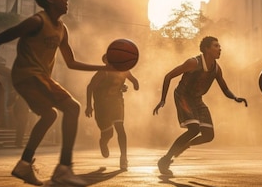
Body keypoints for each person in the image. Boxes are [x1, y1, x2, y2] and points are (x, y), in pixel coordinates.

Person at [0, 0, 109, 187]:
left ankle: (25, 163)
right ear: (50, 0)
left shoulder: (62, 29)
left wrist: (107, 67)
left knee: (50, 115)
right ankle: (64, 168)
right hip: (28, 75)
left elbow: (71, 63)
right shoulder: (36, 21)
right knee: (73, 107)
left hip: (38, 78)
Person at [152, 36, 247, 175]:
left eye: (219, 46)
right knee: (194, 129)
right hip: (183, 96)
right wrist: (162, 100)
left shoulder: (216, 69)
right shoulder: (193, 63)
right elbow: (169, 76)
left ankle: (185, 145)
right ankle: (165, 160)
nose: (220, 48)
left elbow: (225, 89)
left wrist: (235, 97)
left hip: (197, 99)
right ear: (207, 49)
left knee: (209, 135)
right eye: (216, 46)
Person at [85, 54, 139, 170]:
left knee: (120, 128)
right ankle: (103, 142)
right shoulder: (103, 72)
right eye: (108, 62)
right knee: (108, 133)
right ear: (105, 62)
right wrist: (88, 106)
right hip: (102, 106)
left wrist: (134, 84)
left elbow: (134, 81)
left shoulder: (124, 71)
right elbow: (90, 87)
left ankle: (123, 158)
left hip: (116, 103)